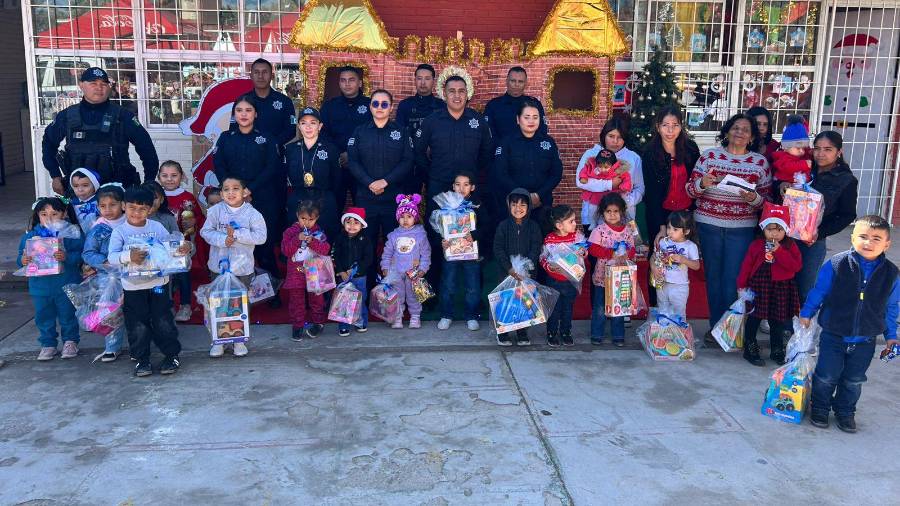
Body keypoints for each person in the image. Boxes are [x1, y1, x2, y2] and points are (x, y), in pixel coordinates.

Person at [800, 215, 899, 433]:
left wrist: (892, 335)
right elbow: (819, 291)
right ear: (852, 238)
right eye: (862, 236)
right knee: (826, 375)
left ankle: (845, 412)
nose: (869, 242)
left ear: (887, 244)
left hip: (865, 339)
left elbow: (891, 308)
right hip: (833, 334)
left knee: (854, 380)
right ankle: (821, 408)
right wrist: (807, 312)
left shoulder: (892, 274)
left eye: (876, 238)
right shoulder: (836, 264)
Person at [687, 113, 770, 332]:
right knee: (713, 279)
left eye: (745, 130)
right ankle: (715, 329)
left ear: (752, 137)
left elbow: (766, 202)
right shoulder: (709, 157)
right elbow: (690, 190)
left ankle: (730, 331)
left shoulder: (759, 163)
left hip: (741, 229)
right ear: (727, 131)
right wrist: (702, 183)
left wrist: (754, 199)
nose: (740, 133)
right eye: (735, 128)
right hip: (708, 225)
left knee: (733, 281)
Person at [108, 187, 188, 377]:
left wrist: (183, 249)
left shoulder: (156, 227)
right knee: (137, 324)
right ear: (123, 207)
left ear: (150, 209)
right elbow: (111, 257)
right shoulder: (119, 232)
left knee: (163, 320)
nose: (137, 212)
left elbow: (170, 250)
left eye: (142, 209)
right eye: (132, 208)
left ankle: (171, 355)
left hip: (159, 285)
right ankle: (141, 359)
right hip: (133, 288)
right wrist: (129, 256)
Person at [213, 94, 284, 307]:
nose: (244, 114)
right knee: (236, 246)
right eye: (239, 110)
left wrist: (250, 189)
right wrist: (234, 190)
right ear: (234, 114)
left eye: (248, 110)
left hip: (262, 199)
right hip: (234, 201)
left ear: (256, 114)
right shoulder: (226, 137)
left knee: (264, 246)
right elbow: (219, 165)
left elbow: (272, 167)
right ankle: (238, 295)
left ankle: (272, 294)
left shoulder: (266, 138)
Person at [42, 67, 159, 194]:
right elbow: (48, 143)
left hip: (117, 191)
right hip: (79, 193)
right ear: (81, 85)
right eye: (93, 83)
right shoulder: (67, 116)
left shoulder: (122, 116)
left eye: (104, 84)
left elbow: (146, 148)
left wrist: (149, 182)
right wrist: (55, 176)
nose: (99, 87)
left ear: (109, 87)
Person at [784, 132, 858, 301]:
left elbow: (847, 215)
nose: (821, 154)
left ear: (839, 152)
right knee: (783, 283)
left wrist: (820, 232)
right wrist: (782, 185)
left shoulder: (846, 180)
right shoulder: (804, 169)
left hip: (812, 242)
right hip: (786, 236)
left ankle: (800, 324)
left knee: (805, 287)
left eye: (827, 149)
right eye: (817, 148)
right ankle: (781, 325)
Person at [347, 89, 414, 262]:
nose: (379, 107)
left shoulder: (401, 132)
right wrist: (370, 183)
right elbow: (353, 162)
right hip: (365, 197)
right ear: (370, 106)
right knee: (365, 245)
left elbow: (407, 161)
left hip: (393, 198)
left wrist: (385, 181)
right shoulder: (359, 132)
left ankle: (391, 285)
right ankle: (367, 284)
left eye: (384, 104)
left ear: (391, 108)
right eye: (375, 103)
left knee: (394, 244)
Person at [17, 197, 84, 361]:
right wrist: (23, 260)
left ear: (64, 214)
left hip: (66, 283)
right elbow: (20, 257)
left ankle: (70, 341)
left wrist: (67, 256)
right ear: (37, 215)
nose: (49, 217)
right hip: (40, 286)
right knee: (43, 315)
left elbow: (82, 256)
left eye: (54, 213)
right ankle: (48, 344)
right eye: (44, 214)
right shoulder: (30, 237)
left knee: (67, 314)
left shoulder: (72, 234)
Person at [736, 203, 801, 366]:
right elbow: (747, 266)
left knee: (777, 320)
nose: (774, 233)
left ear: (785, 230)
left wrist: (779, 251)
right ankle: (750, 347)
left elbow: (796, 266)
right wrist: (741, 285)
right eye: (770, 229)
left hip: (781, 287)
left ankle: (777, 349)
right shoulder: (756, 245)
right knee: (755, 317)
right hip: (760, 285)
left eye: (779, 230)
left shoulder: (789, 245)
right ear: (763, 228)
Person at [415, 75, 494, 201]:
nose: (457, 96)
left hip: (468, 190)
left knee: (469, 221)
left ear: (467, 94)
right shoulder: (431, 121)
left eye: (461, 91)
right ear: (445, 95)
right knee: (436, 221)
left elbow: (487, 152)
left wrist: (473, 174)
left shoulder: (478, 121)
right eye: (452, 91)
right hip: (439, 187)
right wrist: (432, 174)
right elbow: (418, 152)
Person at [492, 99, 563, 228]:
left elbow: (556, 173)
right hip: (514, 204)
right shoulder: (507, 142)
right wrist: (523, 196)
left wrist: (538, 195)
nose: (531, 121)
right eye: (527, 117)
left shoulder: (548, 142)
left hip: (541, 203)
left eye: (535, 117)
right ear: (518, 120)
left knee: (541, 241)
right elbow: (500, 173)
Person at [641, 106, 700, 247]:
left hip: (686, 214)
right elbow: (652, 193)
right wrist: (661, 226)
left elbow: (696, 180)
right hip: (661, 214)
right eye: (665, 125)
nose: (670, 130)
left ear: (681, 127)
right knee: (659, 256)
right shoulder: (650, 153)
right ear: (658, 127)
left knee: (685, 256)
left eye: (675, 125)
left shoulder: (690, 149)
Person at [82, 183, 127, 362]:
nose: (107, 210)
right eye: (102, 206)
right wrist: (104, 261)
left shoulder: (132, 222)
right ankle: (112, 346)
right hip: (109, 278)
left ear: (123, 204)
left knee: (136, 311)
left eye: (112, 205)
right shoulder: (98, 228)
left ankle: (139, 345)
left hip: (132, 275)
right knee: (110, 311)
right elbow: (88, 253)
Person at [493, 188, 543, 346]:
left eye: (523, 204)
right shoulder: (503, 226)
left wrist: (527, 266)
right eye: (514, 204)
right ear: (509, 206)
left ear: (529, 207)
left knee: (524, 302)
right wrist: (509, 268)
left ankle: (522, 332)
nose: (518, 208)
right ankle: (504, 332)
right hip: (506, 273)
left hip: (527, 274)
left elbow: (536, 247)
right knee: (506, 301)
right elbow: (498, 248)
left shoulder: (534, 227)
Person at [436, 171, 484, 332]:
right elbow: (439, 227)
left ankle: (471, 315)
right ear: (453, 187)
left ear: (472, 187)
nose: (461, 188)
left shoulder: (478, 206)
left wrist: (475, 235)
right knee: (448, 284)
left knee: (472, 286)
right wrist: (443, 240)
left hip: (471, 253)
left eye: (466, 184)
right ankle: (446, 315)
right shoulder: (446, 206)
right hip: (451, 252)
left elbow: (488, 227)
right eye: (458, 184)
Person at [158, 160, 206, 322]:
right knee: (166, 277)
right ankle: (168, 305)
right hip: (161, 247)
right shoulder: (157, 197)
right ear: (159, 177)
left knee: (183, 275)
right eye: (165, 175)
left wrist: (194, 222)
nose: (169, 179)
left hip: (182, 246)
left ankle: (185, 306)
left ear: (182, 176)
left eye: (174, 175)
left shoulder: (188, 197)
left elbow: (199, 217)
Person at [285, 107, 342, 241]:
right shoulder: (290, 149)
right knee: (297, 241)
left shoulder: (331, 149)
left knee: (323, 242)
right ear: (299, 126)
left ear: (320, 126)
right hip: (298, 200)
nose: (308, 127)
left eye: (313, 122)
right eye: (304, 123)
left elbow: (337, 180)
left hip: (323, 201)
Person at [576, 118, 644, 229]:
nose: (615, 141)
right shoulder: (591, 154)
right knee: (595, 246)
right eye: (611, 136)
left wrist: (624, 202)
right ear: (604, 135)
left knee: (626, 247)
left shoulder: (633, 158)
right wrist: (610, 184)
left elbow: (640, 188)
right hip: (593, 218)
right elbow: (581, 182)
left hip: (625, 219)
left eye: (620, 137)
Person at [320, 66, 372, 209]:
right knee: (334, 207)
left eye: (351, 80)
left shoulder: (370, 105)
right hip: (337, 166)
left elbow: (372, 135)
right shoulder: (330, 106)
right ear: (339, 83)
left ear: (360, 83)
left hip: (363, 167)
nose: (347, 84)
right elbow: (323, 135)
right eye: (343, 80)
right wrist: (339, 155)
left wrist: (352, 155)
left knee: (362, 208)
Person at [588, 193, 636, 346]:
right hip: (603, 276)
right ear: (602, 213)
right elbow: (593, 249)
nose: (612, 215)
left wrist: (627, 254)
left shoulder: (627, 231)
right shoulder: (599, 230)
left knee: (619, 306)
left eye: (616, 211)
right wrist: (610, 253)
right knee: (600, 307)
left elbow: (633, 249)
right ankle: (597, 334)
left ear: (622, 212)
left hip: (621, 277)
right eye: (608, 211)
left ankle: (618, 335)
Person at [282, 200, 331, 341]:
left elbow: (325, 249)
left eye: (311, 219)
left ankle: (318, 323)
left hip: (314, 271)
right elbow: (286, 251)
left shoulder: (318, 232)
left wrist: (313, 242)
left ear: (317, 218)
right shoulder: (290, 232)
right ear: (297, 215)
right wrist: (297, 239)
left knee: (317, 299)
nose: (307, 222)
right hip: (295, 271)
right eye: (303, 218)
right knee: (296, 301)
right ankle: (297, 326)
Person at [380, 194, 431, 329]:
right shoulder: (393, 235)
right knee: (397, 295)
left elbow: (426, 254)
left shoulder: (420, 235)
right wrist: (385, 267)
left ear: (415, 217)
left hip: (414, 272)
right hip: (396, 272)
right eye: (402, 217)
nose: (405, 220)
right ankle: (398, 317)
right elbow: (387, 254)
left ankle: (415, 316)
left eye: (409, 216)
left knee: (413, 295)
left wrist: (423, 269)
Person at [541, 205, 585, 347]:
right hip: (554, 280)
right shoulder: (550, 239)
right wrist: (549, 266)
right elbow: (543, 258)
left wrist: (583, 252)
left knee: (567, 308)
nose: (575, 224)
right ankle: (551, 333)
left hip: (571, 280)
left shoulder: (576, 237)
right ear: (559, 225)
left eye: (574, 220)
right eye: (571, 221)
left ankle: (566, 332)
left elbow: (584, 251)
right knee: (554, 308)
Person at [396, 64, 444, 195]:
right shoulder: (405, 105)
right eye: (419, 78)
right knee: (408, 203)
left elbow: (445, 135)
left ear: (433, 81)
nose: (423, 82)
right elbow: (400, 134)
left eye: (427, 78)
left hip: (434, 163)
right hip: (411, 163)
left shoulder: (442, 106)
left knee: (436, 203)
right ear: (415, 80)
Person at [331, 207, 373, 336]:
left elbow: (368, 258)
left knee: (360, 299)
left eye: (356, 223)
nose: (352, 226)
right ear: (344, 223)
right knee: (344, 300)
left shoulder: (365, 239)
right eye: (349, 222)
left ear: (362, 225)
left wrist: (356, 269)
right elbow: (335, 255)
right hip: (343, 276)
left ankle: (360, 321)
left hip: (359, 276)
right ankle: (344, 325)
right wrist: (340, 271)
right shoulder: (340, 238)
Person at [651, 211, 700, 319]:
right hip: (662, 283)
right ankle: (664, 335)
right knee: (662, 311)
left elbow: (696, 266)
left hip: (680, 286)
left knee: (679, 314)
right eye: (669, 228)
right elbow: (653, 257)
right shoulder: (663, 242)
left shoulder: (690, 246)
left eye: (675, 229)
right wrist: (653, 267)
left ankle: (678, 335)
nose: (670, 232)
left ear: (686, 231)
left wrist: (683, 259)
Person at [483, 66, 547, 142]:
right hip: (501, 151)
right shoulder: (493, 105)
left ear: (526, 83)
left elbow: (542, 130)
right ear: (506, 81)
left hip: (529, 151)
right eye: (513, 81)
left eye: (520, 81)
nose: (516, 84)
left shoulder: (535, 104)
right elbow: (487, 133)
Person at [246, 58, 297, 149]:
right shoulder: (242, 101)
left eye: (265, 72)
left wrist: (273, 143)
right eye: (256, 72)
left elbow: (292, 129)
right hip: (248, 153)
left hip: (275, 155)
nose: (260, 76)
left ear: (272, 76)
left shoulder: (285, 101)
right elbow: (234, 129)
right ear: (251, 76)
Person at [771, 115, 813, 189]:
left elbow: (806, 153)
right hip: (787, 185)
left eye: (803, 148)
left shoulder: (799, 154)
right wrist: (804, 164)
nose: (801, 151)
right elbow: (787, 166)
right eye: (798, 148)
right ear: (786, 147)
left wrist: (810, 152)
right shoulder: (783, 157)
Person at [69, 168, 101, 233]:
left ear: (95, 185)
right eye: (76, 186)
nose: (80, 189)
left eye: (85, 185)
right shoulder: (71, 204)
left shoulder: (101, 200)